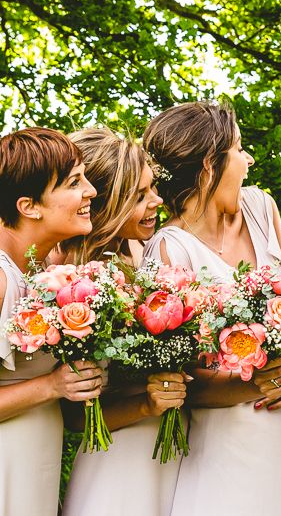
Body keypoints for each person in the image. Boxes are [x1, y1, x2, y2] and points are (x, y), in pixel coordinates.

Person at [142, 101, 281, 516]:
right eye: (237, 149)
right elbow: (182, 380)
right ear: (209, 167)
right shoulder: (168, 248)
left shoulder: (261, 207)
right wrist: (258, 383)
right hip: (227, 438)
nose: (247, 159)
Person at [61, 128, 186, 516]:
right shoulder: (68, 279)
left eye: (153, 189)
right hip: (117, 457)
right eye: (140, 196)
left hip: (177, 448)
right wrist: (147, 405)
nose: (157, 201)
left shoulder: (144, 252)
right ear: (105, 202)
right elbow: (73, 416)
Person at [0, 127, 103, 515]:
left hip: (36, 462)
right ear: (29, 206)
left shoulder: (45, 272)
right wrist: (52, 385)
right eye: (75, 182)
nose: (90, 191)